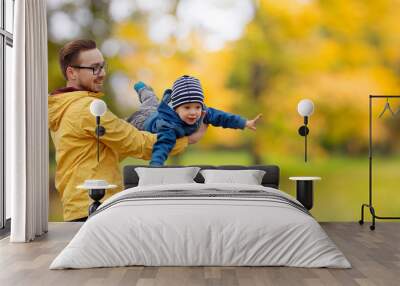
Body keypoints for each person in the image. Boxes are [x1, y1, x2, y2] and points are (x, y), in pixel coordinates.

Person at [48, 40, 207, 222]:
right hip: (94, 206)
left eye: (103, 66)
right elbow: (139, 144)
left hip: (78, 206)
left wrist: (135, 124)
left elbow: (108, 150)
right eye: (94, 68)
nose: (103, 74)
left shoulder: (63, 107)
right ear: (72, 72)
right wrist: (189, 139)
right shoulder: (87, 109)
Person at [128, 75, 262, 166]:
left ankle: (144, 90)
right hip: (143, 120)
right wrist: (156, 167)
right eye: (187, 108)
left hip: (158, 110)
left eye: (197, 107)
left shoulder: (203, 112)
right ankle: (142, 88)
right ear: (176, 109)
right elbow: (162, 146)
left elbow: (222, 117)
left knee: (152, 101)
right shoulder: (169, 126)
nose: (193, 113)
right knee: (149, 101)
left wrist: (245, 123)